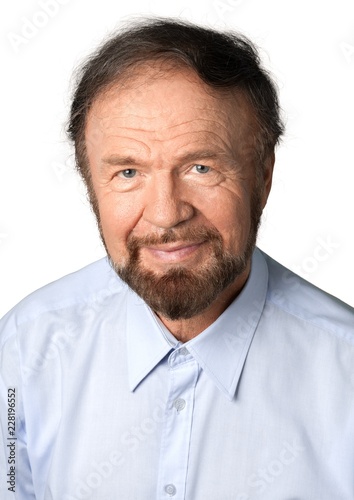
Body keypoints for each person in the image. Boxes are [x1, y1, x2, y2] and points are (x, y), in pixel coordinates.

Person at [0, 18, 353, 500]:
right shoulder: (24, 351)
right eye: (128, 172)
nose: (166, 214)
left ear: (263, 178)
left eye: (201, 167)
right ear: (89, 186)